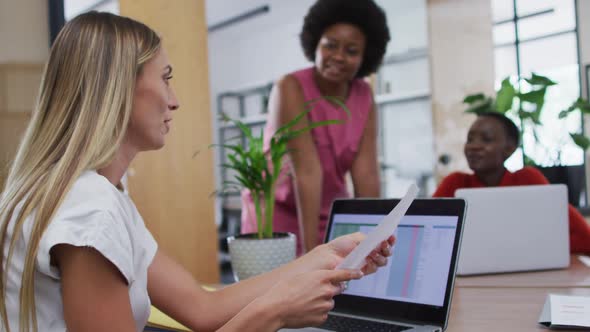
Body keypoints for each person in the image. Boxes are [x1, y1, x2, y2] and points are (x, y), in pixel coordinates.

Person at [0, 12, 396, 332]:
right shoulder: (90, 211)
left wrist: (321, 257)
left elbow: (204, 308)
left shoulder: (95, 194)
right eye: (166, 78)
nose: (175, 101)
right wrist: (275, 312)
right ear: (119, 87)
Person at [241, 0, 390, 254]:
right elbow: (307, 172)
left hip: (332, 213)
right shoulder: (290, 87)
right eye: (330, 45)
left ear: (365, 57)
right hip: (276, 216)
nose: (339, 57)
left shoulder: (363, 94)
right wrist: (312, 252)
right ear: (316, 43)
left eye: (351, 51)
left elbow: (366, 177)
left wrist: (374, 238)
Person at [433, 112, 590, 253]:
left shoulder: (528, 180)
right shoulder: (455, 183)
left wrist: (527, 247)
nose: (473, 146)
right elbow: (427, 235)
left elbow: (584, 238)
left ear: (509, 148)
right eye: (470, 139)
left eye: (486, 139)